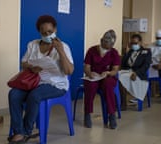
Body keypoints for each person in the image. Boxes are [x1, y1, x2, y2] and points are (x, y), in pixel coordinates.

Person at [8, 15, 74, 143]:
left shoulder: (64, 47)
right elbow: (24, 63)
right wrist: (31, 67)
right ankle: (19, 131)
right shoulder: (32, 45)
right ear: (39, 32)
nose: (47, 35)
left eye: (50, 32)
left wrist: (60, 51)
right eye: (44, 33)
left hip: (56, 84)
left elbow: (69, 71)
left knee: (34, 95)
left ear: (55, 29)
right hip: (34, 81)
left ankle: (26, 131)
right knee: (14, 94)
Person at [83, 29, 120, 129]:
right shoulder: (92, 50)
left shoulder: (114, 53)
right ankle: (87, 114)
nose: (109, 47)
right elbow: (86, 67)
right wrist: (90, 74)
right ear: (101, 41)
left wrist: (108, 73)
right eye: (106, 43)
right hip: (94, 76)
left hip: (107, 76)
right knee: (90, 86)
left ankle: (111, 115)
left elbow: (115, 70)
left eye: (111, 45)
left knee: (108, 85)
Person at [119, 34, 151, 110]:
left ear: (140, 42)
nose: (134, 45)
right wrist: (126, 53)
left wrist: (136, 73)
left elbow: (146, 66)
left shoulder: (146, 52)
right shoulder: (130, 51)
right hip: (127, 72)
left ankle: (123, 104)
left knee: (120, 79)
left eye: (135, 43)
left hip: (139, 74)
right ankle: (118, 101)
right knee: (115, 77)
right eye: (132, 43)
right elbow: (123, 65)